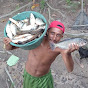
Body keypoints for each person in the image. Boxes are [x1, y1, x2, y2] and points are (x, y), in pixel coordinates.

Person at [3, 21, 79, 88]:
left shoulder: (60, 48)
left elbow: (70, 69)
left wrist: (68, 54)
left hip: (43, 79)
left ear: (61, 37)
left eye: (58, 35)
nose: (54, 38)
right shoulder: (36, 40)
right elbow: (10, 48)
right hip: (28, 75)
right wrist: (8, 43)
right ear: (47, 32)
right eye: (52, 33)